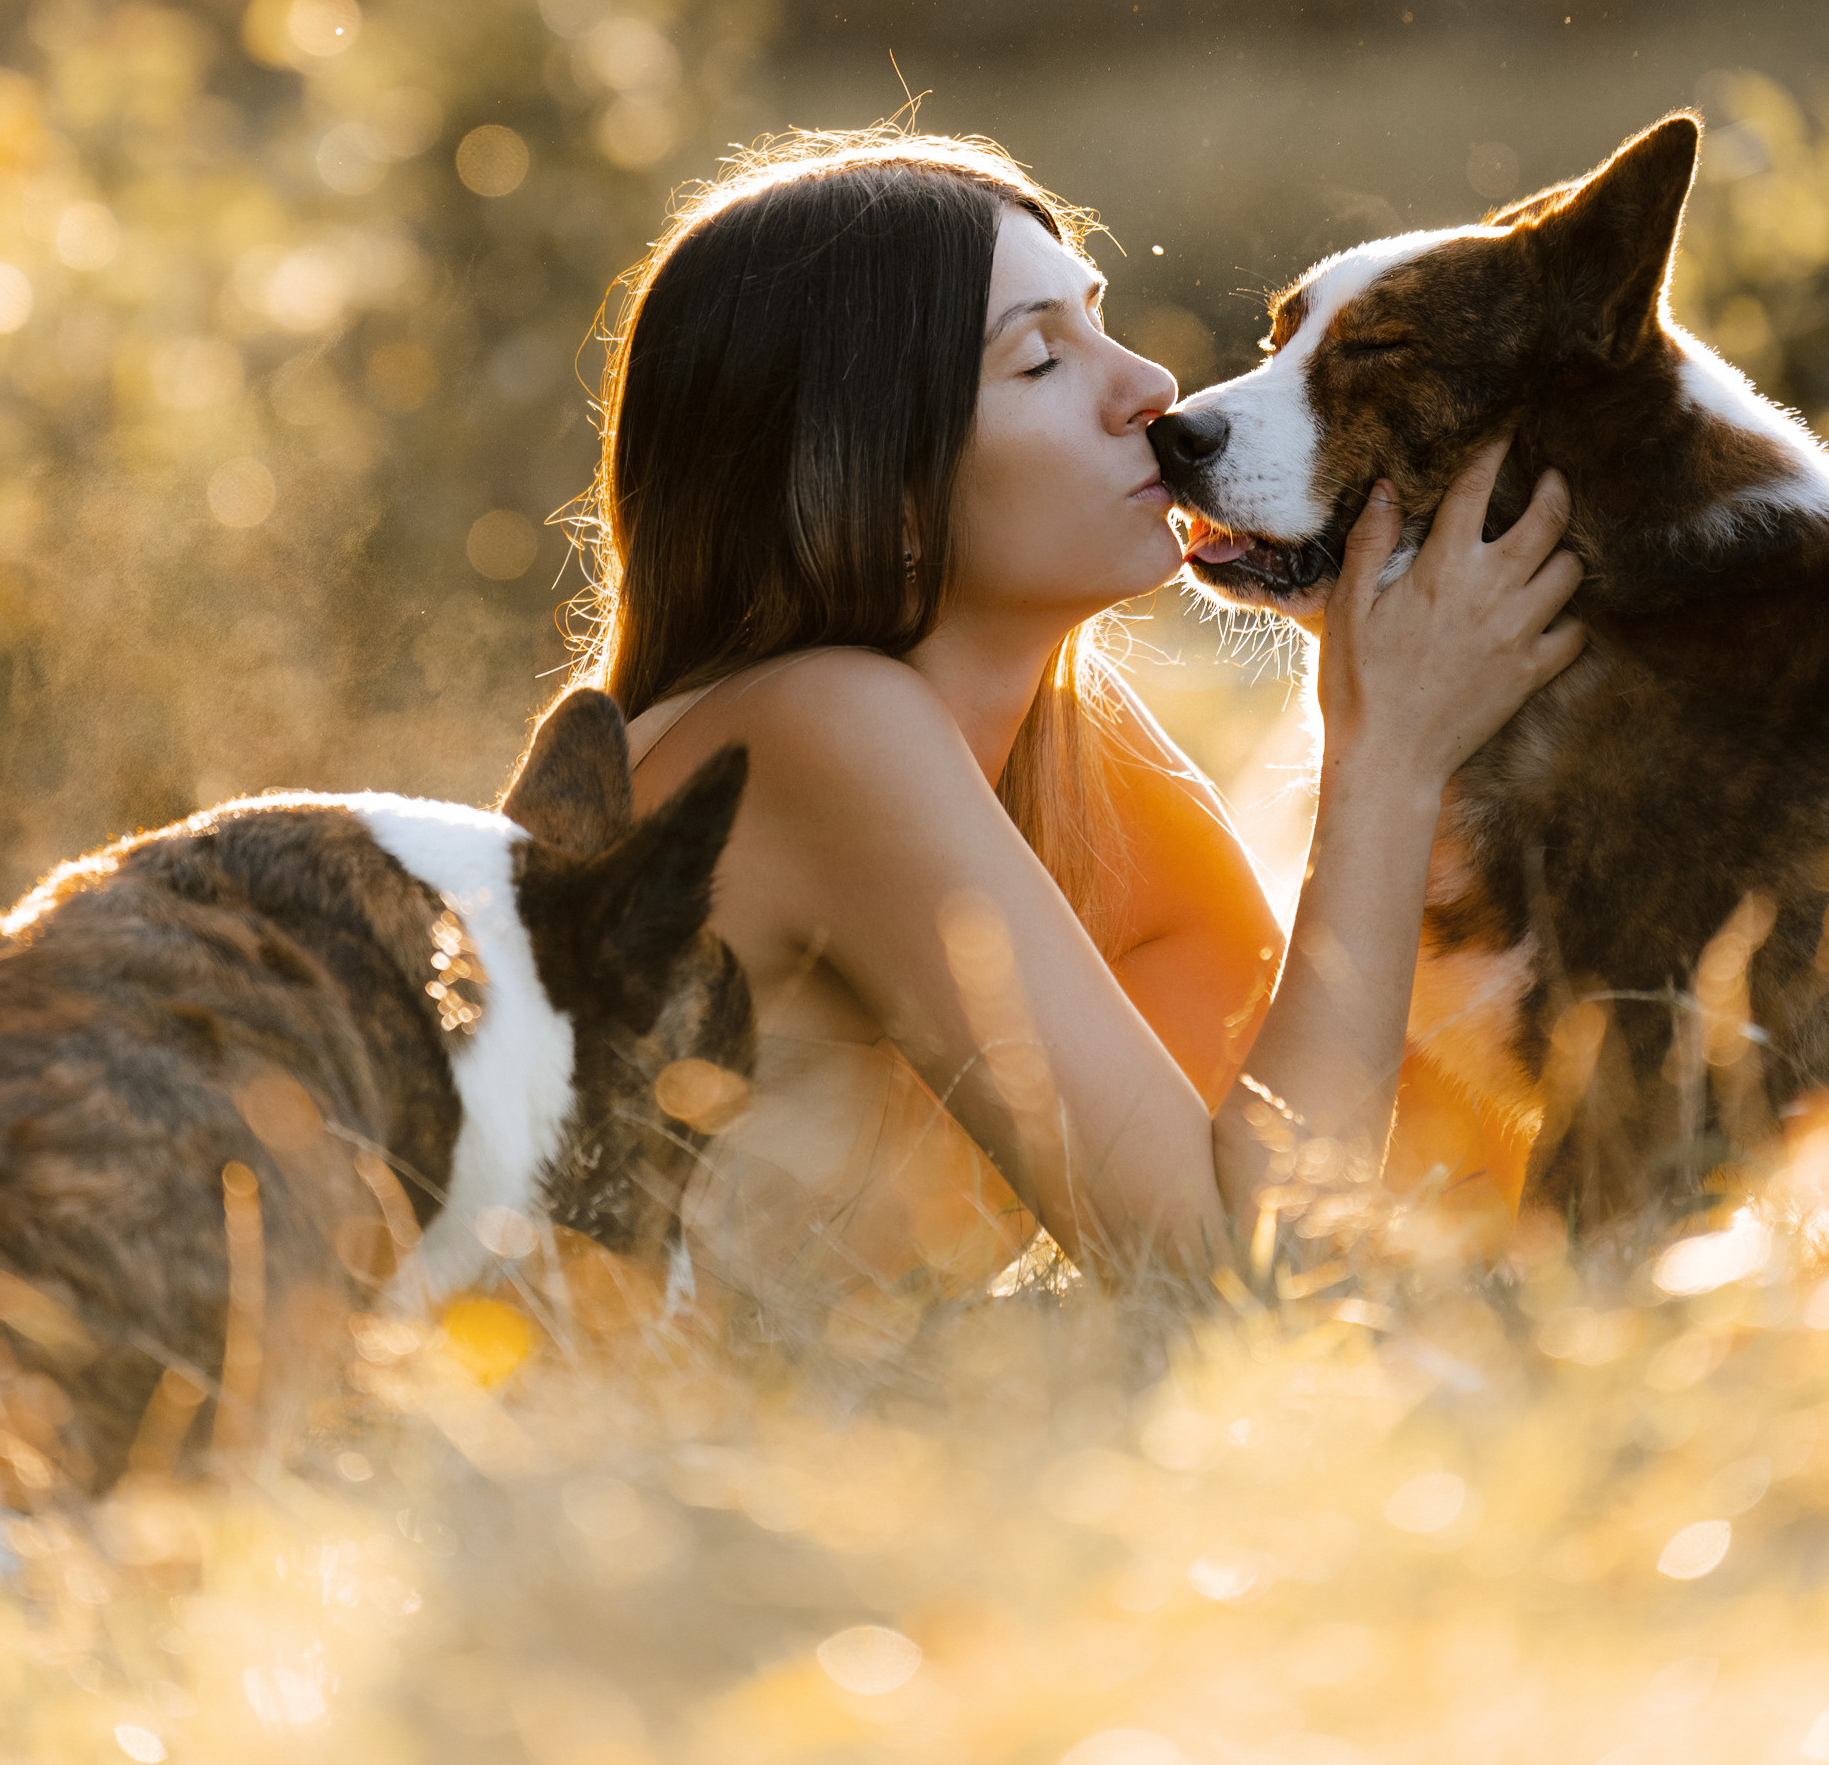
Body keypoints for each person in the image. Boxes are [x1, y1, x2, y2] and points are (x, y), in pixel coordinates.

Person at [556, 129, 1583, 1324]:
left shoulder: (1065, 744)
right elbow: (1246, 1283)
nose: (1149, 384)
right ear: (874, 487)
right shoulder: (815, 727)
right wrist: (1390, 751)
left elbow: (1380, 1125)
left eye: (1098, 319)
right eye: (1040, 360)